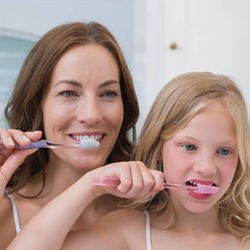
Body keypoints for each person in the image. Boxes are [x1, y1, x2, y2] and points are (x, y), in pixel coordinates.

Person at [7, 71, 250, 249]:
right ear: (158, 149)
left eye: (225, 151)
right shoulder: (127, 230)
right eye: (189, 146)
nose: (206, 167)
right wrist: (90, 184)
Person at [0, 21, 141, 249]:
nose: (91, 115)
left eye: (108, 93)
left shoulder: (152, 212)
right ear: (38, 103)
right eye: (68, 93)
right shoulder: (5, 213)